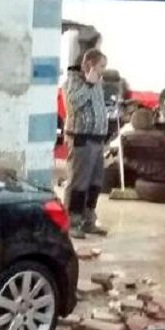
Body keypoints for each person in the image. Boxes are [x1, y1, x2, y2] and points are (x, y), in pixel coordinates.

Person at [63, 48, 109, 238]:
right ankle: (71, 221)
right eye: (101, 66)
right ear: (89, 64)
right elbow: (74, 104)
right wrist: (88, 85)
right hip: (82, 138)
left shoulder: (98, 82)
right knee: (79, 183)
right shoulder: (73, 81)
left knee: (95, 183)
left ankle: (88, 220)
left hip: (98, 139)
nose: (103, 71)